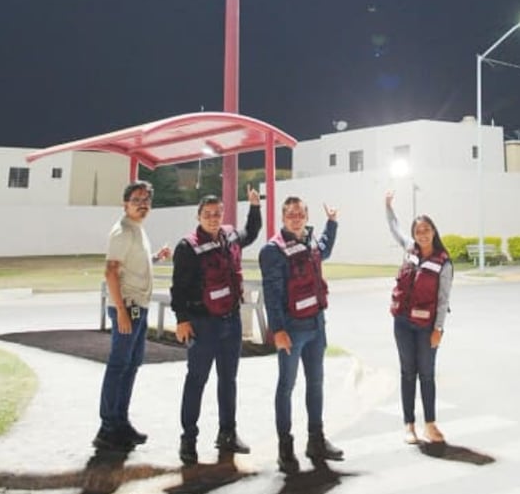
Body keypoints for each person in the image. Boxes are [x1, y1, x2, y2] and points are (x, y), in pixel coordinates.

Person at [171, 186, 262, 466]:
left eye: (217, 213)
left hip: (230, 321)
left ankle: (227, 433)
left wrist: (255, 206)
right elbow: (178, 288)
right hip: (202, 324)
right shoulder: (187, 247)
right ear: (198, 216)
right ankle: (188, 439)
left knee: (228, 380)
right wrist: (182, 320)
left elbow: (251, 232)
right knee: (196, 380)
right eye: (207, 214)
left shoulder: (230, 237)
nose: (213, 218)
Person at [260, 195, 342, 474]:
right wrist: (278, 330)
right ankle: (285, 447)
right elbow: (271, 294)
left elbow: (324, 250)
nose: (296, 218)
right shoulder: (272, 250)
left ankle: (316, 440)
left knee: (316, 383)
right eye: (291, 214)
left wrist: (332, 223)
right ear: (283, 218)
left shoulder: (310, 241)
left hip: (316, 326)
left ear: (306, 217)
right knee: (286, 386)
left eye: (300, 214)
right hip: (292, 330)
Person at [93, 180, 171, 451]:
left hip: (138, 307)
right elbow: (111, 272)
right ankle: (107, 427)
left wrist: (157, 257)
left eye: (146, 200)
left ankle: (120, 422)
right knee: (119, 366)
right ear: (125, 204)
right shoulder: (123, 231)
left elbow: (134, 264)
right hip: (128, 308)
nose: (142, 204)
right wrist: (121, 312)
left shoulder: (137, 229)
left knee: (131, 365)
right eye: (136, 200)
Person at [384, 191, 452, 445]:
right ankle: (409, 426)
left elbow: (443, 300)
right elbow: (394, 228)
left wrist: (438, 329)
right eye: (418, 231)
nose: (422, 234)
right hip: (402, 323)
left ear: (433, 232)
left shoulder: (443, 263)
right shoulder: (409, 249)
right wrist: (388, 206)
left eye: (426, 230)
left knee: (427, 374)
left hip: (426, 327)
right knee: (407, 373)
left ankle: (430, 425)